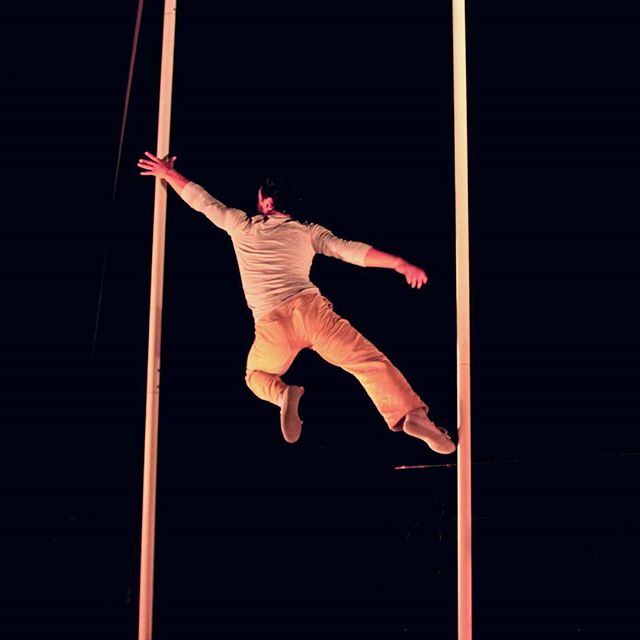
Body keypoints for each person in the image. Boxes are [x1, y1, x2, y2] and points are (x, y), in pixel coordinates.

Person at [137, 151, 456, 454]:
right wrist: (398, 263)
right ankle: (412, 415)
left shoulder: (242, 225)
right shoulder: (307, 232)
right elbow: (350, 251)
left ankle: (282, 394)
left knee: (256, 375)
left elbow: (202, 201)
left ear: (268, 202)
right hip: (311, 312)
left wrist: (168, 173)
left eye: (259, 196)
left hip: (272, 324)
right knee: (368, 363)